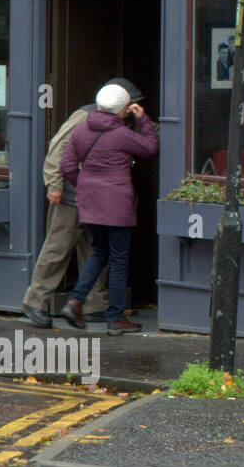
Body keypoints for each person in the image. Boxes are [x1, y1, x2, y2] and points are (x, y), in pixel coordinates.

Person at [18, 80, 143, 327]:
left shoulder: (114, 120)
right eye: (131, 103)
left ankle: (94, 303)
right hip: (72, 193)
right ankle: (35, 301)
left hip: (93, 196)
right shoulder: (84, 116)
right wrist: (54, 184)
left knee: (95, 250)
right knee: (58, 246)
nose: (133, 108)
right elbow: (58, 148)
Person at [58, 83, 158, 334]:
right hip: (117, 204)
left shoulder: (81, 130)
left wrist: (83, 186)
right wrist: (143, 118)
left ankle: (75, 301)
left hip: (90, 202)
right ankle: (115, 318)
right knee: (119, 259)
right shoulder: (122, 134)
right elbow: (150, 148)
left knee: (99, 252)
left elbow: (67, 165)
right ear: (124, 109)